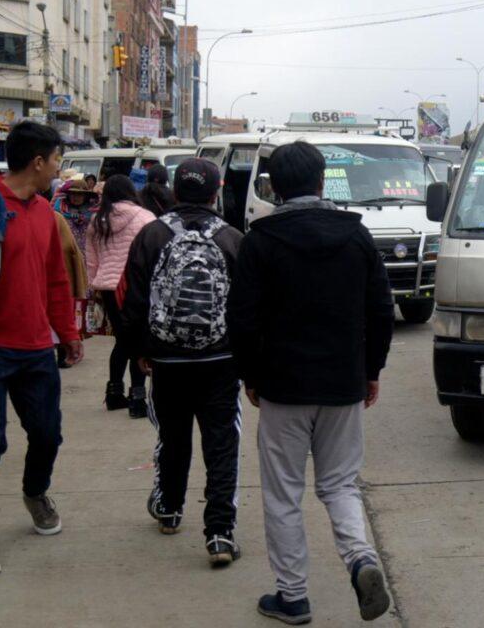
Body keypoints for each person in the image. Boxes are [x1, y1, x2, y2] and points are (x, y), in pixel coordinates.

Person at [228, 141, 395, 624]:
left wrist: (251, 375)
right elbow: (381, 309)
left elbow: (241, 318)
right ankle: (361, 559)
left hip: (282, 386)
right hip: (343, 383)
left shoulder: (261, 241)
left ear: (273, 187)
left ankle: (293, 596)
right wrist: (372, 371)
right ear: (323, 182)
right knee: (340, 485)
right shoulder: (356, 236)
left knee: (283, 495)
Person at [0, 121, 83, 577]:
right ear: (38, 162)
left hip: (37, 347)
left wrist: (67, 333)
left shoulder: (43, 212)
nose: (59, 168)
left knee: (48, 434)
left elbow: (56, 277)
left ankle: (35, 492)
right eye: (57, 160)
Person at [121, 158, 243, 567]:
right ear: (215, 193)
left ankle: (171, 511)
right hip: (221, 359)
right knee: (221, 444)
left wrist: (141, 350)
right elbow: (246, 307)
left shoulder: (152, 235)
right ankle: (220, 535)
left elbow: (135, 300)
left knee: (174, 437)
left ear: (175, 190)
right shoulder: (232, 239)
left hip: (167, 357)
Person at [85, 175, 155, 418]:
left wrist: (93, 286)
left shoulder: (97, 220)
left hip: (107, 287)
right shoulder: (145, 218)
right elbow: (153, 253)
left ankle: (114, 393)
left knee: (122, 341)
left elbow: (91, 259)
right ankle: (137, 398)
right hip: (136, 287)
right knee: (137, 342)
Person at [53, 211, 88, 368]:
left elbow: (69, 246)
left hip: (66, 267)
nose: (76, 197)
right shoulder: (59, 215)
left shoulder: (56, 217)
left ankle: (63, 351)